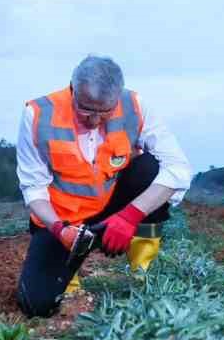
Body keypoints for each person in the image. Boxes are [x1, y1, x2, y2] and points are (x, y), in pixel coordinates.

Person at [14, 55, 191, 317]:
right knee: (36, 304)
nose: (95, 120)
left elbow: (179, 170)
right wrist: (59, 228)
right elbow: (33, 188)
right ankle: (68, 276)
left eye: (105, 112)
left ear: (117, 98)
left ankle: (142, 271)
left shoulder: (135, 107)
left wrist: (130, 216)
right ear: (72, 90)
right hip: (65, 222)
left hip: (115, 209)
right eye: (85, 110)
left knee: (149, 169)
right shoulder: (38, 115)